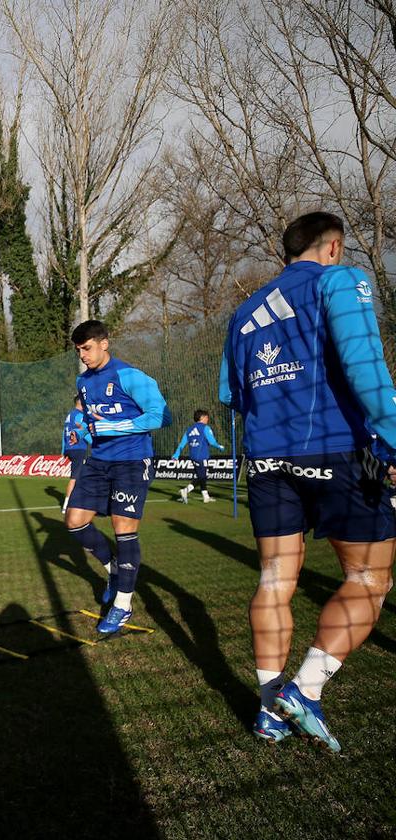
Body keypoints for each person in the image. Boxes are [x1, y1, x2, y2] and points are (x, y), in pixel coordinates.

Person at [220, 211, 396, 752]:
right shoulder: (341, 280)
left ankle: (269, 709)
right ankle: (303, 690)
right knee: (371, 580)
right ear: (333, 247)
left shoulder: (244, 313)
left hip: (268, 460)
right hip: (337, 452)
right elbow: (367, 368)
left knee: (274, 580)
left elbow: (234, 397)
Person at [66, 320, 171, 636]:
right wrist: (84, 430)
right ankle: (114, 570)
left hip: (131, 462)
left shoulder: (130, 376)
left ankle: (123, 605)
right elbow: (91, 418)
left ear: (103, 343)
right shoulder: (83, 381)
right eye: (78, 350)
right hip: (98, 462)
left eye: (87, 348)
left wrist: (116, 426)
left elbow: (161, 416)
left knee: (122, 527)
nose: (83, 355)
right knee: (74, 521)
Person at [171, 409, 225, 504]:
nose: (208, 419)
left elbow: (181, 444)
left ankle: (206, 497)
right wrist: (219, 446)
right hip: (202, 456)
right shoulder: (205, 428)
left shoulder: (189, 429)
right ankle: (185, 491)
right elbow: (212, 442)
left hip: (192, 457)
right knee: (202, 476)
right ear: (202, 418)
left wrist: (176, 455)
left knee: (201, 476)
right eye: (206, 417)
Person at [62, 394, 92, 513]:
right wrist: (94, 442)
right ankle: (67, 505)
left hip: (70, 448)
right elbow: (82, 431)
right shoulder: (80, 415)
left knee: (81, 476)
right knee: (75, 477)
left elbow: (64, 432)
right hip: (78, 448)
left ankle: (78, 502)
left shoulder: (69, 415)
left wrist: (64, 449)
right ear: (80, 402)